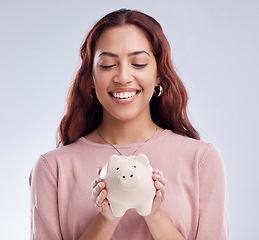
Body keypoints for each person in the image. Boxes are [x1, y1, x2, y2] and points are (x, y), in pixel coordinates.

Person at [29, 9, 229, 240]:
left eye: (139, 63)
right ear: (91, 79)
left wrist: (153, 214)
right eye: (107, 65)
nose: (123, 77)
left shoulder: (200, 160)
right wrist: (106, 218)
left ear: (159, 76)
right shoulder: (53, 169)